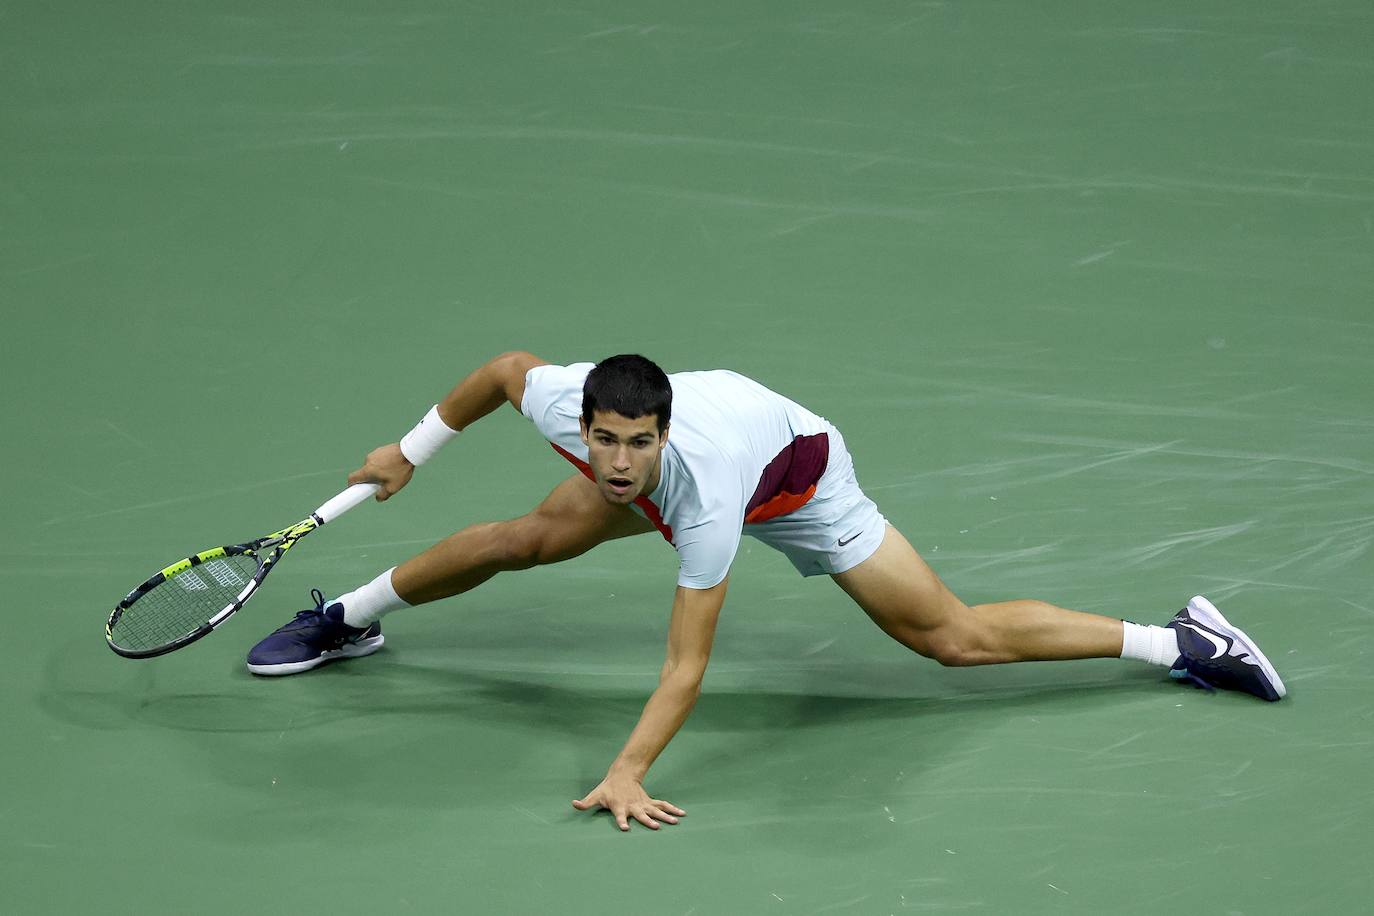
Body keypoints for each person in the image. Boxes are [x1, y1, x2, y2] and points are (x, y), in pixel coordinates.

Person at [246, 352, 1286, 831]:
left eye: (632, 445)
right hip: (711, 458)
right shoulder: (576, 410)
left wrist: (625, 769)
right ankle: (347, 618)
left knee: (953, 640)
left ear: (657, 437)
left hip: (791, 481)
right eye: (602, 441)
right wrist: (409, 450)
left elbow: (686, 660)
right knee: (520, 536)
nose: (611, 461)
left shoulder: (701, 499)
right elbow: (501, 369)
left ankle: (1179, 640)